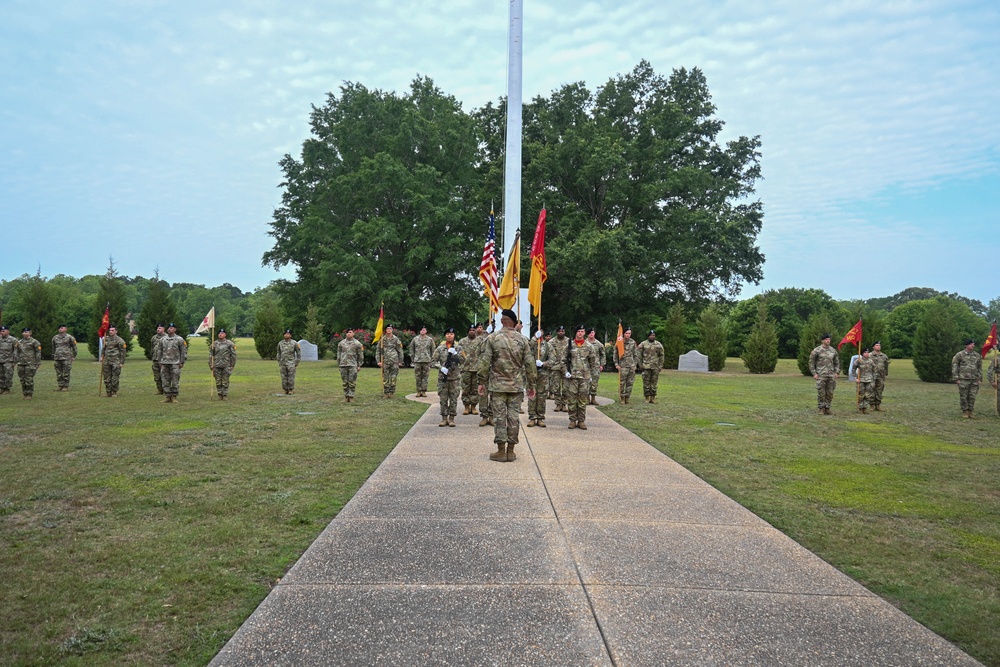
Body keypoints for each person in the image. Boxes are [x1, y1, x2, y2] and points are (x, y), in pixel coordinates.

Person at [478, 309, 536, 462]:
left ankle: (501, 451)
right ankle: (511, 451)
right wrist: (531, 385)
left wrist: (481, 382)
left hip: (498, 386)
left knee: (499, 418)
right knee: (513, 417)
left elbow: (485, 362)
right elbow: (530, 364)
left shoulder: (492, 338)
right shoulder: (523, 340)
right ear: (514, 322)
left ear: (503, 321)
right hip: (516, 386)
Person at [565, 324, 600, 429]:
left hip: (584, 377)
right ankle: (572, 420)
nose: (580, 333)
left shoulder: (589, 346)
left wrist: (591, 376)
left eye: (582, 331)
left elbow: (593, 362)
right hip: (572, 377)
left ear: (585, 333)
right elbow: (563, 360)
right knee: (572, 399)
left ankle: (581, 420)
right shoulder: (569, 345)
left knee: (582, 399)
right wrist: (565, 371)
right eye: (579, 331)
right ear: (576, 333)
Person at [432, 327, 463, 426]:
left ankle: (452, 418)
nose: (449, 335)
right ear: (445, 336)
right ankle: (444, 418)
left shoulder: (459, 348)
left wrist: (455, 355)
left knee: (454, 399)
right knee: (443, 399)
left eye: (451, 334)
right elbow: (433, 361)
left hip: (454, 378)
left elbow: (463, 360)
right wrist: (441, 368)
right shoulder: (440, 348)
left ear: (454, 336)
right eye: (448, 334)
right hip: (443, 378)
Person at [809, 333, 840, 415]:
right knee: (821, 393)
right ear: (822, 341)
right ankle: (821, 408)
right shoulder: (817, 350)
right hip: (821, 375)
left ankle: (827, 408)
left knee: (830, 393)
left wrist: (836, 372)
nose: (828, 341)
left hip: (831, 375)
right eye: (826, 339)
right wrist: (814, 373)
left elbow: (837, 362)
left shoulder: (833, 351)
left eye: (829, 339)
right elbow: (811, 363)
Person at [951, 338, 982, 419]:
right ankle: (965, 411)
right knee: (964, 396)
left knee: (972, 396)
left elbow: (979, 367)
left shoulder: (977, 355)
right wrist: (956, 378)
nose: (973, 345)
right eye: (971, 344)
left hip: (974, 379)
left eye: (973, 344)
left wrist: (979, 378)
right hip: (963, 379)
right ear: (966, 345)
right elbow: (955, 366)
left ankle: (971, 411)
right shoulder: (960, 355)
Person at [157, 323, 187, 402]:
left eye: (171, 328)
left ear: (175, 329)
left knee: (175, 379)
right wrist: (159, 361)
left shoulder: (179, 339)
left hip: (175, 362)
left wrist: (182, 362)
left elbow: (183, 351)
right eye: (169, 328)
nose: (169, 329)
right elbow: (159, 350)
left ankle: (174, 396)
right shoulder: (163, 339)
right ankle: (167, 396)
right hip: (165, 362)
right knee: (165, 380)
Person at [527, 328, 550, 427]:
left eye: (541, 330)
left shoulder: (547, 345)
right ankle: (532, 417)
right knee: (532, 395)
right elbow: (526, 350)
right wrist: (535, 338)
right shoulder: (530, 343)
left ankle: (540, 417)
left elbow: (553, 360)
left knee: (541, 397)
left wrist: (544, 363)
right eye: (538, 331)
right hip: (531, 373)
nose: (540, 332)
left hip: (543, 374)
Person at [375, 324, 404, 398]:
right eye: (387, 328)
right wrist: (378, 361)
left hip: (394, 361)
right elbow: (378, 351)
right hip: (385, 361)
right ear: (385, 330)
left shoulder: (396, 339)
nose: (389, 330)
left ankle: (392, 392)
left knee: (393, 378)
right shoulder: (382, 340)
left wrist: (401, 361)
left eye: (390, 328)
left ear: (392, 330)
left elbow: (400, 350)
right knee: (385, 378)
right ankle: (386, 393)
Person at [457, 324, 481, 414]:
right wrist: (462, 363)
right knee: (466, 388)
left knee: (475, 388)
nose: (472, 331)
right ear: (468, 331)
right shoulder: (462, 341)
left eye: (473, 330)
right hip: (465, 368)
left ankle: (474, 406)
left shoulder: (480, 341)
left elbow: (483, 353)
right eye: (470, 330)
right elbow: (458, 353)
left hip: (476, 368)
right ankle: (466, 406)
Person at [546, 325, 570, 412]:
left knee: (565, 387)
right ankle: (558, 404)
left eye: (563, 331)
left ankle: (564, 404)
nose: (561, 332)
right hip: (555, 367)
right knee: (556, 387)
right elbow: (547, 353)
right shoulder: (551, 342)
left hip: (565, 367)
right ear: (557, 332)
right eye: (559, 331)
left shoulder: (569, 341)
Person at [637, 330, 665, 403]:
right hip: (646, 366)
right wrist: (640, 365)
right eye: (651, 335)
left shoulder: (658, 344)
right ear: (648, 336)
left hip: (655, 367)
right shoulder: (643, 344)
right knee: (646, 382)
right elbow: (638, 355)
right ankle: (647, 397)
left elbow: (662, 355)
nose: (652, 336)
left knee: (654, 383)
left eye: (653, 335)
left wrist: (660, 366)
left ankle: (653, 398)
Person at [337, 328, 365, 402]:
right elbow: (339, 354)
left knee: (352, 381)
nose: (348, 333)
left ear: (353, 334)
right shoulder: (341, 343)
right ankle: (346, 397)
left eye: (350, 332)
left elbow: (360, 355)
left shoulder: (357, 344)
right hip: (343, 365)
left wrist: (359, 365)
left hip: (353, 365)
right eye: (347, 332)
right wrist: (339, 364)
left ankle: (351, 396)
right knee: (345, 382)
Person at [14, 327, 42, 399]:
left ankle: (29, 394)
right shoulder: (19, 342)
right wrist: (15, 361)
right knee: (22, 379)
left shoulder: (34, 342)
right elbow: (16, 352)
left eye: (26, 332)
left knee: (29, 379)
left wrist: (38, 362)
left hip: (30, 363)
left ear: (30, 333)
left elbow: (38, 352)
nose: (25, 333)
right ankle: (25, 393)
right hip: (21, 363)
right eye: (23, 332)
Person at [613, 327, 639, 403]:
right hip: (622, 366)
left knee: (630, 383)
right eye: (627, 333)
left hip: (631, 365)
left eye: (629, 333)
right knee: (622, 383)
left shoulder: (632, 342)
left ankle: (627, 397)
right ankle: (622, 398)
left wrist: (635, 364)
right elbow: (615, 354)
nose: (628, 335)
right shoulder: (619, 342)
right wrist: (616, 364)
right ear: (623, 334)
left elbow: (635, 354)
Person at [209, 329, 237, 400]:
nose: (220, 334)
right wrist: (211, 364)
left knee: (225, 380)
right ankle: (219, 394)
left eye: (222, 333)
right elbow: (211, 355)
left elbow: (233, 355)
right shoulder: (214, 344)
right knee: (218, 381)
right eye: (219, 333)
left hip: (226, 365)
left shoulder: (229, 343)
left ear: (225, 335)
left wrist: (232, 365)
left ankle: (224, 395)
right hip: (216, 365)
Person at [101, 325, 128, 397]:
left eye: (112, 330)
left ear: (116, 331)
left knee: (115, 377)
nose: (111, 332)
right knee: (106, 377)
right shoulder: (106, 339)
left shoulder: (120, 340)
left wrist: (122, 362)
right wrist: (102, 356)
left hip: (116, 361)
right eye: (110, 330)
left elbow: (123, 352)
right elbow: (104, 348)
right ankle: (108, 392)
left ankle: (114, 392)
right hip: (107, 361)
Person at [409, 325, 435, 398]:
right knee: (418, 376)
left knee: (425, 376)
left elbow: (433, 350)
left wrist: (432, 360)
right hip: (417, 360)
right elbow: (411, 349)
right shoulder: (415, 339)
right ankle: (418, 391)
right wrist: (412, 358)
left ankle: (423, 391)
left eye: (424, 330)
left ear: (426, 331)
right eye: (421, 330)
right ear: (419, 331)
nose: (422, 331)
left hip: (426, 360)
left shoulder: (430, 340)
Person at [51, 324, 78, 391]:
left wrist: (74, 356)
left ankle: (65, 386)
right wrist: (53, 354)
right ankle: (60, 385)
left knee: (66, 372)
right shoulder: (55, 338)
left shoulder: (70, 337)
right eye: (59, 328)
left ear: (66, 329)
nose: (60, 329)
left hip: (67, 357)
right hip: (57, 357)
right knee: (59, 372)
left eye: (62, 328)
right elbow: (53, 347)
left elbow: (74, 347)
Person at [277, 329, 301, 395]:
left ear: (290, 335)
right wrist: (279, 361)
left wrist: (296, 362)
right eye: (285, 334)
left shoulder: (294, 343)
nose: (287, 335)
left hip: (291, 363)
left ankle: (290, 389)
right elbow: (278, 353)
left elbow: (298, 353)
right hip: (283, 363)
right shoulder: (280, 343)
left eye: (288, 334)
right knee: (284, 377)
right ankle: (285, 389)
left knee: (291, 377)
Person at [586, 328, 605, 405]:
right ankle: (587, 398)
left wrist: (602, 364)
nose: (591, 334)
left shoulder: (599, 344)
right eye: (590, 333)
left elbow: (603, 354)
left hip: (595, 366)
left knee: (594, 383)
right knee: (586, 382)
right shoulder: (585, 343)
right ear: (587, 334)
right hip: (586, 366)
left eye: (593, 332)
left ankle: (593, 398)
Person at [854, 347, 876, 413]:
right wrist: (856, 378)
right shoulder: (858, 361)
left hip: (869, 380)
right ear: (862, 353)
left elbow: (874, 370)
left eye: (867, 352)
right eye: (865, 352)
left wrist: (873, 380)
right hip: (861, 380)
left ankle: (865, 408)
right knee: (861, 395)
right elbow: (853, 369)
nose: (866, 354)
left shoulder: (871, 361)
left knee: (868, 395)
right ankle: (860, 408)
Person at [870, 341, 890, 411]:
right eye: (877, 345)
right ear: (873, 347)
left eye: (879, 345)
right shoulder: (869, 355)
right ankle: (871, 405)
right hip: (871, 375)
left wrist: (886, 373)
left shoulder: (884, 356)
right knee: (871, 390)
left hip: (880, 375)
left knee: (879, 390)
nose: (878, 346)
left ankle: (878, 405)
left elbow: (886, 365)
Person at [150, 323, 166, 394]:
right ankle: (160, 390)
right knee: (157, 376)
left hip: (164, 360)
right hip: (155, 359)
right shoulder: (154, 337)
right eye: (157, 328)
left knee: (165, 376)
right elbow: (152, 347)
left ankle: (166, 390)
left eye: (160, 328)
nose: (158, 329)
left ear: (163, 329)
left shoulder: (166, 337)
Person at [0, 325, 15, 394]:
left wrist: (14, 361)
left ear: (8, 331)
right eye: (1, 331)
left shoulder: (13, 340)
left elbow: (16, 351)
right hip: (0, 360)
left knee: (8, 375)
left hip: (8, 360)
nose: (2, 332)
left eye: (3, 331)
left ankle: (7, 389)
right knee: (1, 375)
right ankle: (2, 388)